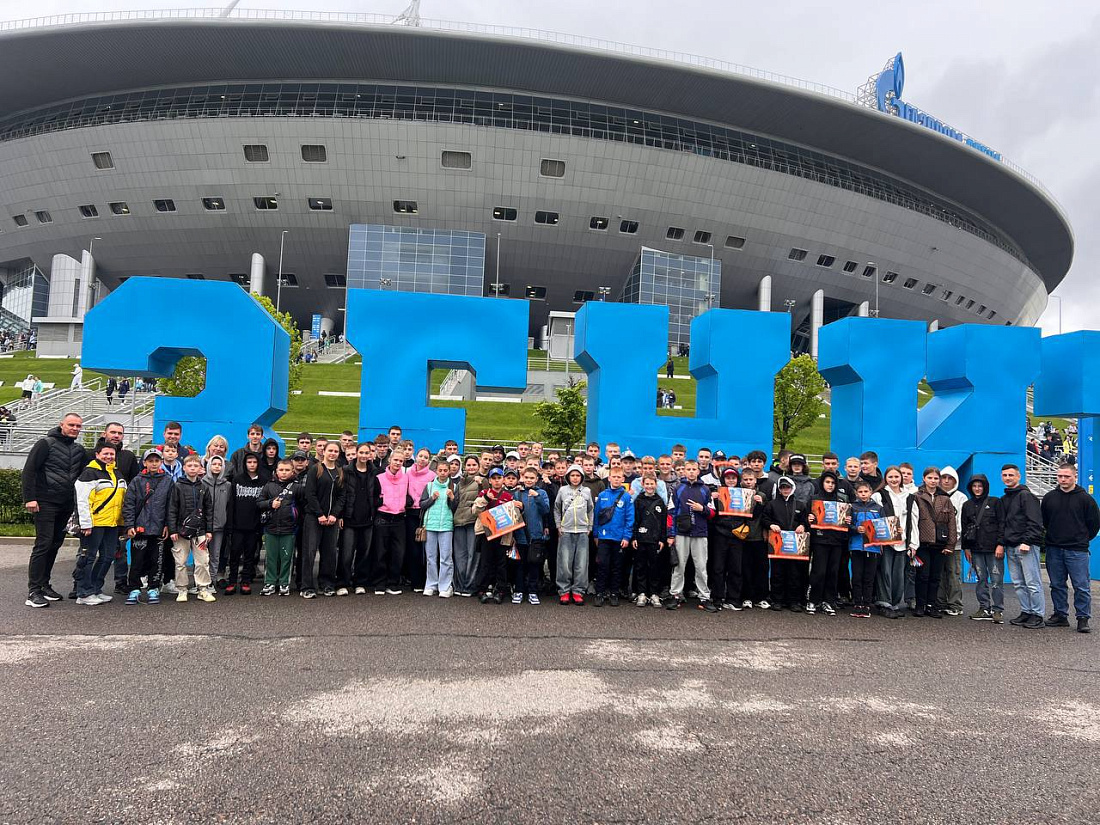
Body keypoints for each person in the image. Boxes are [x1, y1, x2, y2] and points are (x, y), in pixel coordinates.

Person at [22, 412, 87, 608]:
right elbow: (29, 470)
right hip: (45, 502)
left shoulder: (79, 449)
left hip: (66, 504)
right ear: (62, 425)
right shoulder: (45, 444)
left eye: (78, 426)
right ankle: (33, 591)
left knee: (55, 543)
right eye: (71, 425)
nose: (75, 428)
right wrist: (30, 498)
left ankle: (44, 584)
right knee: (43, 544)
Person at [1041, 463, 1099, 634]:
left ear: (1074, 477)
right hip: (1054, 549)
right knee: (1057, 585)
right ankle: (1060, 615)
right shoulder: (1049, 497)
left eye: (1066, 476)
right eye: (1060, 476)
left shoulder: (1086, 499)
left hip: (1077, 550)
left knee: (1081, 586)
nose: (1063, 479)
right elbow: (1045, 521)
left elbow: (1094, 524)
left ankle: (1083, 618)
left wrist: (1081, 539)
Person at [73, 442, 127, 605]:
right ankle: (83, 593)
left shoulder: (117, 473)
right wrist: (85, 523)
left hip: (112, 524)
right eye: (105, 453)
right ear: (97, 454)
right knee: (88, 558)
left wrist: (122, 523)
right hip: (94, 523)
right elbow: (82, 500)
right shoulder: (89, 473)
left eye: (112, 454)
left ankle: (95, 588)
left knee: (108, 557)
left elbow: (121, 500)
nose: (109, 457)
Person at [121, 448, 173, 605]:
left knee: (157, 561)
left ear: (161, 462)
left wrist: (167, 525)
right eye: (150, 461)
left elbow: (170, 505)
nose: (154, 464)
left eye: (157, 461)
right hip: (140, 528)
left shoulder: (168, 480)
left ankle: (153, 588)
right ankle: (134, 589)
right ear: (144, 462)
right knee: (137, 561)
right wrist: (130, 525)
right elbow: (129, 504)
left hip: (159, 529)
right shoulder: (137, 481)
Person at [999, 463, 1045, 629]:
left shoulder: (1027, 496)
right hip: (1011, 546)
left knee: (1032, 582)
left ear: (1018, 476)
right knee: (1018, 583)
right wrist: (1002, 543)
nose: (1008, 478)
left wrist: (1027, 541)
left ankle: (1037, 615)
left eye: (1011, 475)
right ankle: (1026, 611)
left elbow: (1035, 522)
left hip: (1026, 546)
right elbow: (1004, 524)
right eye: (1005, 475)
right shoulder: (1004, 499)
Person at [668, 460, 718, 612]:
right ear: (684, 471)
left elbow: (712, 512)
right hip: (681, 533)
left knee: (701, 567)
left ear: (698, 471)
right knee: (679, 566)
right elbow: (671, 513)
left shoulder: (705, 489)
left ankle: (704, 597)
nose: (691, 472)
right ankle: (675, 595)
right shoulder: (678, 489)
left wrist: (701, 508)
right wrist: (671, 534)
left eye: (693, 469)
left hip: (700, 533)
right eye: (688, 469)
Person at [167, 454, 215, 603]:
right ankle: (182, 589)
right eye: (189, 466)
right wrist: (173, 530)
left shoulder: (204, 487)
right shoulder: (177, 486)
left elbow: (209, 510)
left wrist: (209, 530)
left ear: (200, 468)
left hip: (200, 531)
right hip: (181, 531)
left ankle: (203, 589)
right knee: (180, 562)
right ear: (184, 468)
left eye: (195, 466)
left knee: (203, 561)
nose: (193, 468)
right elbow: (172, 509)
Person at [872, 466, 918, 618]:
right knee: (884, 573)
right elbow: (874, 519)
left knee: (899, 575)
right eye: (890, 477)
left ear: (901, 478)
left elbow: (914, 521)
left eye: (896, 477)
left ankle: (895, 603)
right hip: (885, 542)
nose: (894, 480)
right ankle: (884, 603)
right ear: (886, 478)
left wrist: (913, 544)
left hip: (903, 542)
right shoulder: (879, 496)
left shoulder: (910, 497)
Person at [302, 441, 346, 598]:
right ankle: (307, 586)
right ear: (324, 452)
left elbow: (342, 496)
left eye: (336, 451)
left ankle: (326, 584)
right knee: (309, 552)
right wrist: (319, 514)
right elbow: (310, 493)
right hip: (314, 518)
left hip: (331, 520)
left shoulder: (340, 472)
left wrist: (334, 514)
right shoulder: (315, 469)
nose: (333, 453)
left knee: (329, 553)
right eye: (330, 450)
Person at [911, 467, 957, 618]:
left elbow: (951, 522)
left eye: (936, 478)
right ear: (924, 479)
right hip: (923, 543)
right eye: (930, 478)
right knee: (922, 575)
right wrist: (912, 543)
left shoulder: (945, 499)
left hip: (940, 543)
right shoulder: (916, 496)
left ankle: (932, 605)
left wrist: (950, 544)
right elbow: (912, 521)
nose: (933, 481)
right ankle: (920, 605)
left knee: (936, 576)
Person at [960, 474, 1005, 623]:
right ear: (970, 488)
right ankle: (984, 608)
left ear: (985, 487)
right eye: (974, 486)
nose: (977, 489)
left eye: (980, 486)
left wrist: (1001, 544)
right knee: (981, 579)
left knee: (996, 580)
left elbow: (1002, 524)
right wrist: (966, 548)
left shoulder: (995, 502)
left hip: (993, 548)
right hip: (976, 548)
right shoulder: (967, 505)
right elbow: (965, 527)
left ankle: (998, 610)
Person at [258, 459, 305, 596]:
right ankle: (270, 582)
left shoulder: (297, 488)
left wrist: (296, 519)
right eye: (281, 470)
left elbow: (303, 506)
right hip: (271, 528)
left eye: (287, 470)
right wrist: (270, 503)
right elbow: (259, 502)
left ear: (292, 471)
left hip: (289, 529)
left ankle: (284, 583)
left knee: (286, 558)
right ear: (276, 471)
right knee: (271, 558)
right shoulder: (269, 486)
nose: (284, 473)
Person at [805, 470, 848, 616]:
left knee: (833, 571)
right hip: (820, 539)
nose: (830, 485)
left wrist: (848, 520)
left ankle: (828, 601)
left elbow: (847, 518)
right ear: (822, 483)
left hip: (837, 540)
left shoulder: (842, 500)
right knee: (819, 571)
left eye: (833, 483)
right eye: (827, 482)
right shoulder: (814, 499)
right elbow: (807, 517)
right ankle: (813, 600)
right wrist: (809, 519)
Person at [762, 476, 808, 612]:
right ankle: (777, 600)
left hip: (795, 545)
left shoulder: (800, 505)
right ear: (779, 489)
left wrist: (802, 526)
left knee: (794, 573)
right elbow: (764, 518)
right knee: (777, 572)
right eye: (782, 487)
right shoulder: (772, 504)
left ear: (792, 488)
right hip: (777, 544)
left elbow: (806, 521)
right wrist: (771, 525)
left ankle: (793, 601)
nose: (785, 490)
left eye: (787, 487)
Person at [473, 467, 517, 604]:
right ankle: (482, 589)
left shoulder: (508, 496)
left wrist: (518, 508)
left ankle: (500, 590)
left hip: (503, 534)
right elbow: (475, 510)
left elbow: (514, 516)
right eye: (494, 478)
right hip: (486, 533)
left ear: (503, 480)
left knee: (501, 563)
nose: (497, 481)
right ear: (490, 480)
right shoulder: (484, 493)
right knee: (485, 562)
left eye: (499, 478)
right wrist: (486, 499)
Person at [340, 443, 379, 596]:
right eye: (361, 452)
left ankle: (359, 582)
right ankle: (343, 582)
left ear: (370, 454)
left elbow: (377, 494)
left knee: (364, 553)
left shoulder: (374, 472)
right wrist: (340, 515)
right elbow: (341, 494)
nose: (363, 455)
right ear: (356, 453)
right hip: (350, 518)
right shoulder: (346, 471)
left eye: (366, 453)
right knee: (346, 554)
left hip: (367, 519)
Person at [592, 467, 634, 607]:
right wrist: (596, 534)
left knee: (617, 567)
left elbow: (629, 518)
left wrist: (626, 537)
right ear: (609, 478)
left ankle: (614, 593)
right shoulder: (602, 495)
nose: (616, 479)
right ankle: (600, 592)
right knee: (602, 565)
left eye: (619, 477)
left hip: (619, 538)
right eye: (614, 477)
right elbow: (596, 517)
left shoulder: (627, 497)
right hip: (604, 537)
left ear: (623, 479)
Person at [225, 453, 265, 595]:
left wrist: (261, 526)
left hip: (254, 526)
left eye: (254, 462)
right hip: (237, 525)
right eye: (249, 462)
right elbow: (231, 504)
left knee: (250, 555)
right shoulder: (237, 479)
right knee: (234, 554)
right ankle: (232, 581)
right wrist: (230, 524)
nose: (252, 465)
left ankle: (245, 581)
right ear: (245, 464)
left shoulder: (263, 481)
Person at [554, 464, 593, 605]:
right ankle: (564, 591)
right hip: (566, 531)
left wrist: (589, 526)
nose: (575, 478)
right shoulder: (562, 490)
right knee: (564, 563)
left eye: (577, 475)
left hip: (582, 531)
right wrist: (558, 525)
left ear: (581, 477)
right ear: (568, 477)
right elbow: (557, 509)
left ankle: (578, 591)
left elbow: (590, 510)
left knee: (581, 563)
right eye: (572, 475)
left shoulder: (587, 491)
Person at [420, 457, 458, 598]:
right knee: (430, 557)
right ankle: (431, 584)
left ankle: (445, 586)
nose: (442, 473)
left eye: (445, 470)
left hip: (446, 526)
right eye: (440, 470)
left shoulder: (454, 487)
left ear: (449, 472)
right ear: (436, 471)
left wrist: (452, 498)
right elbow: (422, 504)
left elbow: (455, 508)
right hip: (430, 525)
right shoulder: (429, 486)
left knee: (445, 557)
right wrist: (432, 499)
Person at [373, 451, 410, 595]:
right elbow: (374, 497)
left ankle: (393, 582)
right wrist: (382, 501)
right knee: (380, 552)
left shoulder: (406, 478)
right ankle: (380, 583)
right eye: (395, 460)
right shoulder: (379, 478)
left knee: (398, 552)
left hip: (399, 518)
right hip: (383, 517)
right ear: (390, 460)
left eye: (401, 461)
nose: (398, 463)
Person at [512, 467, 550, 604]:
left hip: (536, 535)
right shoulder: (518, 493)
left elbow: (545, 510)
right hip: (521, 534)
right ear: (522, 478)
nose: (529, 480)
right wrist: (519, 507)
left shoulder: (542, 493)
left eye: (532, 478)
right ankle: (519, 590)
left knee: (534, 564)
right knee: (520, 565)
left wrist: (537, 497)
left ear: (536, 479)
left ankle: (533, 591)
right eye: (526, 477)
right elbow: (513, 514)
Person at [846, 481, 883, 619]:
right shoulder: (852, 507)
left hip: (873, 548)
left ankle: (867, 604)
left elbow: (883, 527)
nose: (863, 494)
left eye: (866, 491)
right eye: (860, 492)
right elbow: (847, 525)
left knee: (869, 577)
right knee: (857, 576)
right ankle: (857, 603)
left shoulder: (878, 508)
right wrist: (856, 529)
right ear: (856, 493)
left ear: (871, 492)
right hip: (856, 546)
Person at [631, 475, 668, 608]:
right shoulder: (638, 500)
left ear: (656, 485)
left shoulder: (660, 501)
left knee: (654, 567)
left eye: (652, 484)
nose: (649, 486)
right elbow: (635, 520)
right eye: (647, 484)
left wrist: (662, 539)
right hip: (641, 539)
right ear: (642, 484)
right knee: (640, 566)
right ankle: (641, 592)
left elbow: (663, 522)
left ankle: (654, 593)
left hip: (655, 539)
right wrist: (634, 537)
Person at [935, 466, 968, 616]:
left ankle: (955, 604)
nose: (946, 481)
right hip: (937, 543)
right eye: (944, 478)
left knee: (953, 573)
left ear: (956, 481)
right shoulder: (935, 495)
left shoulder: (960, 497)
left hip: (954, 545)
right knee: (939, 574)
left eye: (950, 478)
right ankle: (940, 602)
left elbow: (961, 521)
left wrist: (952, 541)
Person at [737, 468, 770, 610]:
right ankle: (746, 597)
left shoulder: (762, 495)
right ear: (741, 481)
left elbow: (766, 516)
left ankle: (761, 597)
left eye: (751, 479)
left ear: (755, 480)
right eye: (746, 479)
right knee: (745, 568)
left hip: (759, 537)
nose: (748, 482)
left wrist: (761, 504)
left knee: (761, 568)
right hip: (743, 537)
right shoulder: (737, 494)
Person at [404, 448, 436, 591]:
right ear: (416, 457)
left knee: (426, 548)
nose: (422, 459)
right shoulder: (407, 473)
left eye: (426, 457)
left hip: (426, 512)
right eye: (421, 456)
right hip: (410, 513)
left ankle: (426, 580)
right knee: (413, 547)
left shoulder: (432, 475)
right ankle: (415, 580)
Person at [452, 455, 483, 597]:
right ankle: (459, 585)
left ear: (478, 466)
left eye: (474, 465)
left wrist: (481, 484)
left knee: (473, 555)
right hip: (459, 521)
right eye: (469, 465)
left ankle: (470, 585)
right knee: (460, 555)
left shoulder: (482, 480)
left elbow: (486, 497)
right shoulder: (460, 482)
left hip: (473, 521)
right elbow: (455, 502)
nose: (471, 467)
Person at [202, 454, 231, 587]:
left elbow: (228, 505)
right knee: (202, 556)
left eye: (220, 465)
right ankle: (200, 583)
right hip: (203, 527)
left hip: (219, 526)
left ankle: (211, 583)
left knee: (215, 555)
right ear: (209, 466)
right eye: (214, 464)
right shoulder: (201, 483)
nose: (217, 467)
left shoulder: (227, 485)